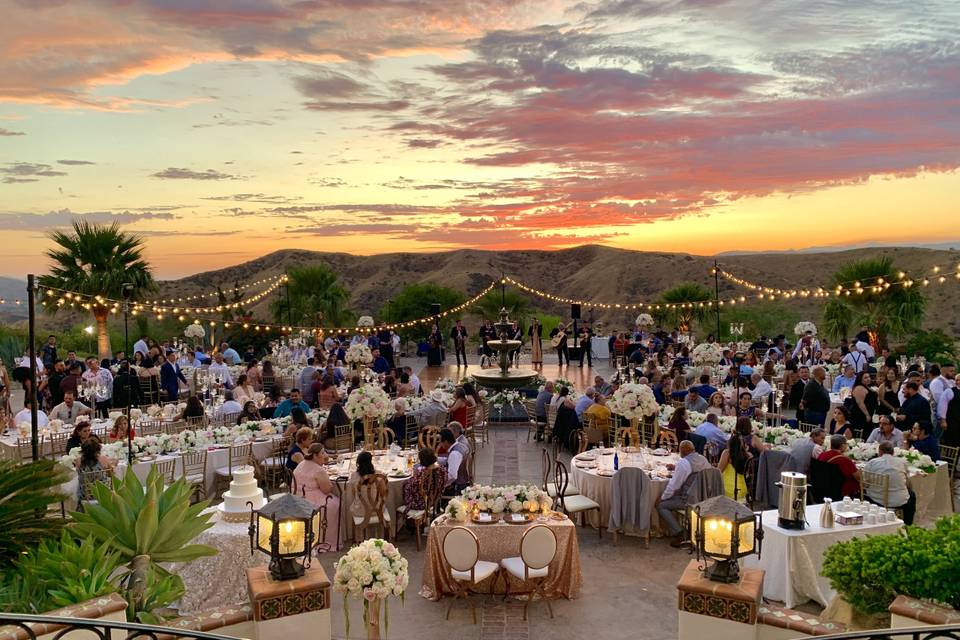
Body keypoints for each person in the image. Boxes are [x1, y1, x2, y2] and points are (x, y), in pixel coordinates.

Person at [656, 440, 712, 547]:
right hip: (705, 496)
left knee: (661, 506)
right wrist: (676, 467)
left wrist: (662, 497)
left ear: (682, 451)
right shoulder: (702, 459)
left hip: (690, 499)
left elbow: (674, 486)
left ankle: (680, 532)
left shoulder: (684, 463)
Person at [292, 443, 340, 551]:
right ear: (315, 455)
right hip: (309, 500)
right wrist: (331, 484)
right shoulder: (318, 470)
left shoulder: (303, 463)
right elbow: (326, 489)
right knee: (335, 504)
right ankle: (326, 539)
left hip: (297, 496)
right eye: (322, 453)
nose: (325, 455)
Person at [862, 441, 915, 524]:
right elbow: (907, 480)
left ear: (880, 452)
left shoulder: (872, 462)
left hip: (876, 498)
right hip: (899, 500)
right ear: (893, 452)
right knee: (911, 494)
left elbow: (864, 482)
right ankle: (908, 523)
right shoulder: (902, 462)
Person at [717, 417, 764, 501]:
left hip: (728, 490)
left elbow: (718, 472)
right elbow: (764, 452)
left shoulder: (727, 453)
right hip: (744, 490)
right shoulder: (749, 455)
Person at [402, 447, 442, 512]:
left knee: (406, 484)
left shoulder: (423, 474)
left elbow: (413, 486)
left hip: (422, 503)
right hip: (436, 499)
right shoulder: (441, 470)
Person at [348, 451, 378, 518]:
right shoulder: (377, 474)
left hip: (360, 511)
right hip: (376, 509)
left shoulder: (354, 475)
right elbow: (383, 491)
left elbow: (353, 493)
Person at [443, 422, 471, 493]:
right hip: (463, 478)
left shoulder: (457, 450)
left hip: (458, 483)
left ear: (454, 433)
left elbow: (452, 475)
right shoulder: (462, 440)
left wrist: (442, 484)